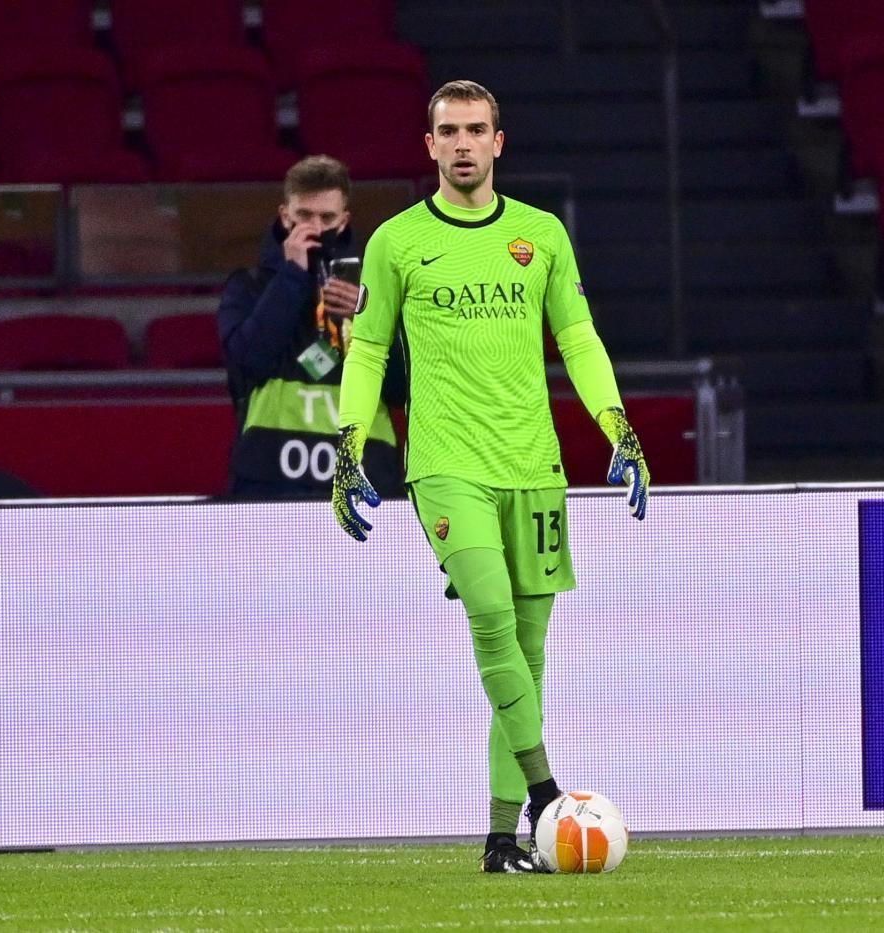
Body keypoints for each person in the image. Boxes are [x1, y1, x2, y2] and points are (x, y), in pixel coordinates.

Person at [329, 80, 650, 873]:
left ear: (499, 143)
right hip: (445, 467)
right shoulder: (397, 242)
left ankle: (503, 840)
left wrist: (618, 426)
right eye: (450, 131)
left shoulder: (541, 235)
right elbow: (367, 349)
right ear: (429, 144)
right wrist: (349, 442)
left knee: (529, 658)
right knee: (493, 623)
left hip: (533, 465)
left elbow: (578, 338)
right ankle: (548, 796)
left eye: (477, 129)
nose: (464, 143)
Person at [217, 155, 404, 500]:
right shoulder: (248, 287)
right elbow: (246, 364)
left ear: (344, 220)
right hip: (269, 483)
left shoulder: (377, 292)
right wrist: (291, 278)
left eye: (327, 217)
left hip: (366, 482)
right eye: (304, 216)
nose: (316, 228)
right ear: (285, 215)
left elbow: (403, 389)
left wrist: (365, 318)